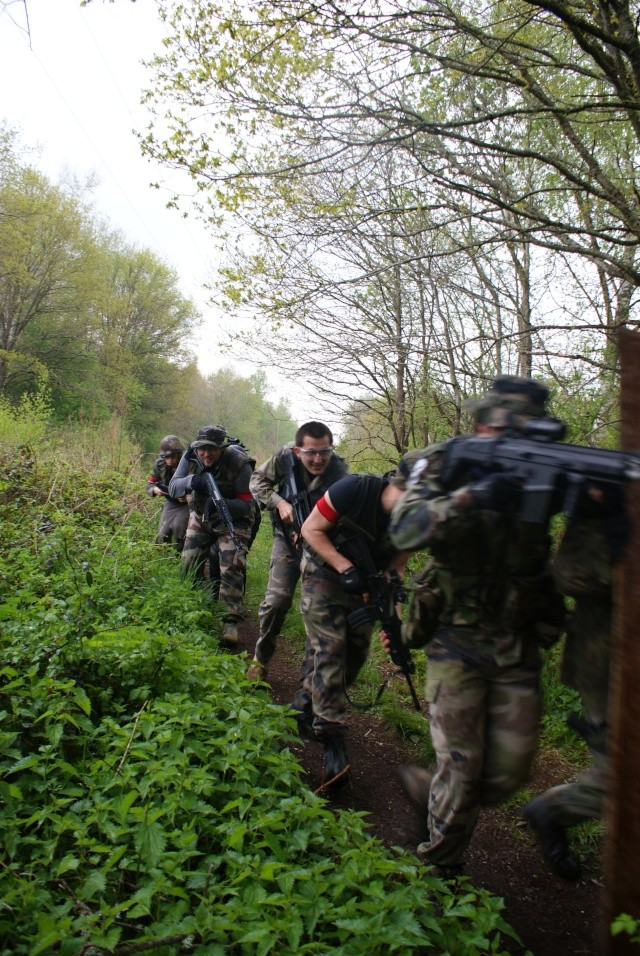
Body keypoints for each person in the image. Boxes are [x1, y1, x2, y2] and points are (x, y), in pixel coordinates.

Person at [387, 376, 566, 877]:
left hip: (516, 641)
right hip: (456, 640)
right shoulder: (447, 461)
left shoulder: (552, 468)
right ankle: (439, 870)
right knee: (462, 765)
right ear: (483, 425)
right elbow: (404, 526)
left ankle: (430, 791)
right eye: (505, 429)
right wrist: (477, 495)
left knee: (508, 775)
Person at [522, 499, 627, 880]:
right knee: (626, 771)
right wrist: (622, 560)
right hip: (608, 664)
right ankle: (555, 810)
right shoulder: (604, 504)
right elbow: (568, 574)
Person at [296, 471, 407, 790]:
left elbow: (395, 570)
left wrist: (393, 620)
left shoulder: (414, 521)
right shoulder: (354, 490)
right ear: (398, 484)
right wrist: (345, 567)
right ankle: (333, 744)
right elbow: (310, 529)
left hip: (366, 587)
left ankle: (305, 703)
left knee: (354, 657)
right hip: (323, 572)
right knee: (330, 650)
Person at [246, 421, 348, 682]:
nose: (317, 459)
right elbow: (257, 481)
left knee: (314, 609)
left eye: (324, 452)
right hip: (286, 538)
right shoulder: (284, 457)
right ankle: (261, 657)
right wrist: (278, 502)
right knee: (277, 601)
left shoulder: (339, 471)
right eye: (310, 452)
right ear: (298, 450)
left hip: (319, 544)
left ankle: (311, 679)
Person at [169, 424, 255, 646]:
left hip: (232, 520)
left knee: (232, 563)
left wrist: (221, 505)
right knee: (188, 560)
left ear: (222, 449)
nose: (206, 454)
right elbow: (173, 487)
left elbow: (248, 505)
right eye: (202, 449)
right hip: (200, 517)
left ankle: (230, 621)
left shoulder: (239, 463)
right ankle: (191, 607)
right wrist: (192, 481)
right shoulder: (190, 457)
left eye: (212, 449)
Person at [146, 435, 189, 551]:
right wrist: (154, 490)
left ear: (179, 454)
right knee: (162, 534)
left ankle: (180, 556)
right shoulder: (159, 465)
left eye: (172, 456)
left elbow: (200, 487)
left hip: (188, 504)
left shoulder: (189, 465)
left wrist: (188, 497)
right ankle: (163, 560)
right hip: (171, 502)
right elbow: (150, 483)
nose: (169, 459)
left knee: (179, 529)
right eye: (166, 457)